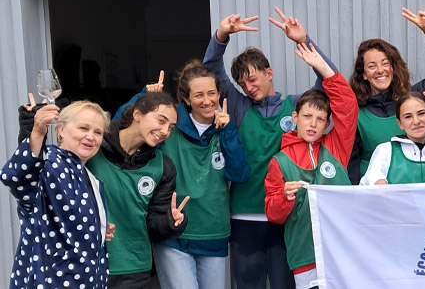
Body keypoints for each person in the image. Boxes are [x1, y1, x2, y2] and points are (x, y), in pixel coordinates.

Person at [202, 7, 337, 289]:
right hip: (244, 215)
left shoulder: (297, 106)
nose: (249, 87)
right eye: (242, 83)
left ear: (269, 73)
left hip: (286, 215)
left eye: (253, 79)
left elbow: (329, 78)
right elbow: (211, 70)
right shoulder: (238, 108)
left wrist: (303, 39)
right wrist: (221, 35)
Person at [115, 62, 251, 288]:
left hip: (212, 232)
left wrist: (228, 131)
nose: (207, 100)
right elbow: (121, 125)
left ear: (219, 94)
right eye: (198, 95)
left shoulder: (226, 127)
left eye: (211, 93)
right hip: (172, 233)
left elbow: (239, 174)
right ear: (187, 99)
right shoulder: (169, 126)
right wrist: (144, 98)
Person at [263, 42, 356, 289]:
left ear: (327, 124)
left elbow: (347, 106)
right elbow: (273, 213)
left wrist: (323, 70)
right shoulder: (279, 161)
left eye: (320, 119)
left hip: (344, 249)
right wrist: (284, 197)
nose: (313, 124)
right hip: (304, 256)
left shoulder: (337, 147)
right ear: (295, 118)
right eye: (306, 117)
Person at [3, 98, 112, 288]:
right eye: (83, 128)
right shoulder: (50, 161)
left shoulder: (89, 177)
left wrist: (98, 229)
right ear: (61, 129)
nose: (90, 137)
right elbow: (18, 177)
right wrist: (36, 132)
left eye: (97, 132)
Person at [84, 91, 188, 288]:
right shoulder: (93, 149)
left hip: (134, 268)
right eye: (161, 120)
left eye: (171, 127)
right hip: (90, 262)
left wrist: (171, 221)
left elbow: (154, 225)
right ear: (137, 114)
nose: (165, 131)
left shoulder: (163, 167)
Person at [349, 8, 425, 184]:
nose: (380, 70)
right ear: (363, 73)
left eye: (385, 64)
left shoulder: (415, 97)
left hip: (420, 190)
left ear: (393, 68)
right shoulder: (357, 113)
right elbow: (352, 165)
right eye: (372, 66)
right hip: (378, 199)